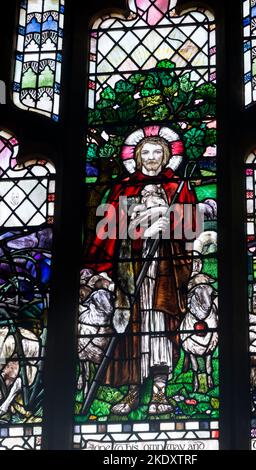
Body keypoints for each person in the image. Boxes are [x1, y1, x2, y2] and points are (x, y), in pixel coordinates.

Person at [82, 129, 202, 416]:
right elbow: (106, 231)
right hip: (131, 268)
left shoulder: (178, 189)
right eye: (145, 152)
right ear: (135, 158)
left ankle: (160, 392)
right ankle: (134, 389)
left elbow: (191, 227)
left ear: (167, 157)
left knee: (162, 327)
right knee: (133, 330)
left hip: (165, 270)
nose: (151, 158)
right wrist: (139, 230)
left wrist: (170, 226)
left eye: (157, 152)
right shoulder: (123, 188)